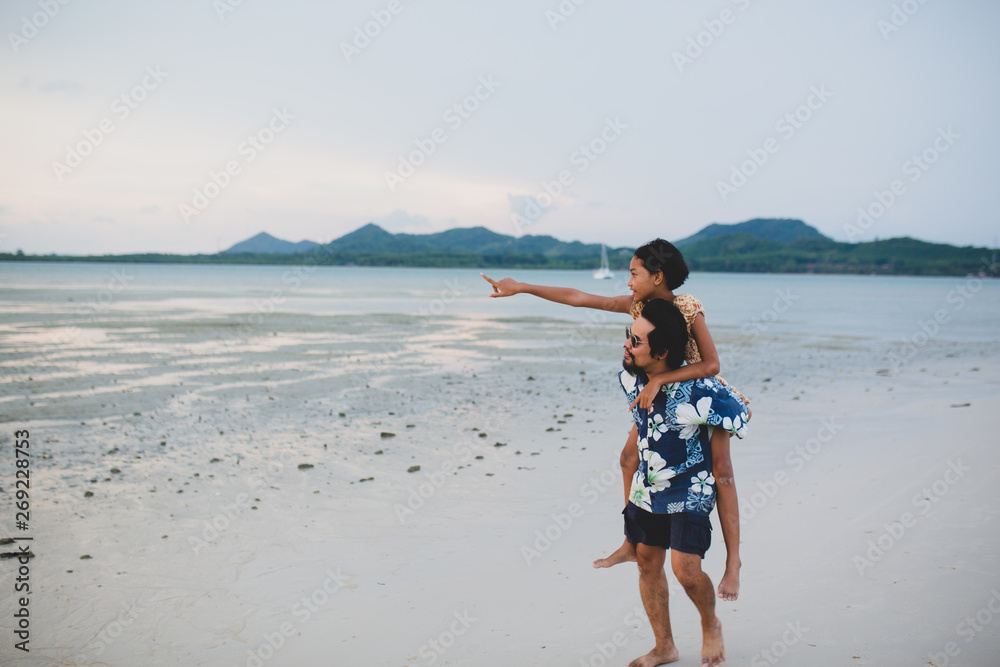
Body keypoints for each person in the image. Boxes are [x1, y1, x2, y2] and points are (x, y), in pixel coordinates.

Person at [481, 238, 748, 600]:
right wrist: (524, 287)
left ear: (657, 276)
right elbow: (580, 297)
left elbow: (712, 364)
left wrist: (659, 378)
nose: (628, 282)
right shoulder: (638, 306)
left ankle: (733, 562)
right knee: (627, 459)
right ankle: (630, 539)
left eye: (634, 273)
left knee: (723, 475)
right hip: (659, 398)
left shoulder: (687, 307)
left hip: (699, 399)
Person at [618, 298, 748, 667]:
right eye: (630, 335)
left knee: (686, 571)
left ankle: (710, 625)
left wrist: (733, 559)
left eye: (637, 341)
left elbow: (737, 415)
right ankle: (664, 646)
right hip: (648, 487)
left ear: (661, 352)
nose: (628, 344)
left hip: (692, 491)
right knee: (646, 564)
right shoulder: (630, 377)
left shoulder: (705, 392)